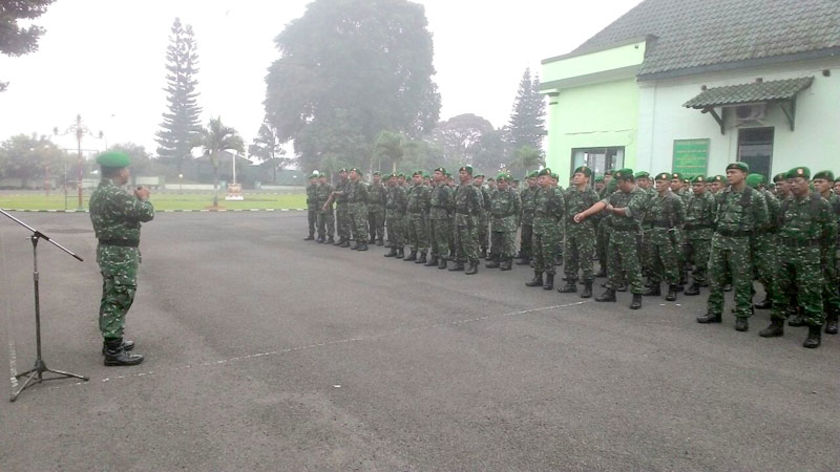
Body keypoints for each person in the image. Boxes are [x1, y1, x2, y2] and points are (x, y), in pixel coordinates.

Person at [759, 167, 836, 348]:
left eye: (798, 181)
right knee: (780, 291)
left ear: (807, 181)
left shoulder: (820, 204)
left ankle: (814, 331)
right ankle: (777, 324)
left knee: (811, 294)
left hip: (809, 256)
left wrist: (822, 257)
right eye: (791, 181)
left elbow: (830, 233)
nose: (793, 185)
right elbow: (779, 226)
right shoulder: (786, 203)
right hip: (785, 253)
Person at [89, 151, 154, 366]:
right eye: (127, 169)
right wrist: (144, 198)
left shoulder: (103, 192)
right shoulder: (115, 194)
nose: (128, 173)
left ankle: (111, 341)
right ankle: (114, 351)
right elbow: (146, 214)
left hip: (110, 251)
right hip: (119, 253)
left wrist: (133, 201)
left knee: (111, 296)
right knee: (120, 297)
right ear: (120, 171)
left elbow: (123, 213)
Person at [697, 162, 768, 331]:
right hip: (720, 240)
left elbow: (763, 221)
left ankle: (742, 315)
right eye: (728, 172)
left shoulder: (754, 196)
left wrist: (749, 239)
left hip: (741, 242)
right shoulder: (721, 195)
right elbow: (714, 215)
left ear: (744, 174)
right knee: (715, 277)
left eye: (733, 172)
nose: (729, 175)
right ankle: (714, 311)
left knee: (742, 280)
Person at [574, 168, 646, 310]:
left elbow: (628, 211)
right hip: (615, 233)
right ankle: (611, 292)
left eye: (620, 182)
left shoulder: (641, 194)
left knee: (632, 267)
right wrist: (584, 214)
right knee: (612, 264)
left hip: (631, 235)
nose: (618, 185)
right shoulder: (618, 193)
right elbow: (602, 203)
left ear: (628, 181)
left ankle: (637, 295)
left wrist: (612, 209)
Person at [642, 172, 685, 301]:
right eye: (657, 182)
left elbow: (682, 219)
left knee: (670, 262)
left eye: (660, 182)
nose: (658, 185)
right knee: (653, 262)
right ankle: (655, 287)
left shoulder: (675, 199)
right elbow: (649, 217)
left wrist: (677, 234)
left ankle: (672, 288)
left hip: (668, 234)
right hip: (655, 233)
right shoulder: (654, 199)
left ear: (668, 183)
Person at [558, 166, 599, 298]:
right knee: (570, 256)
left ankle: (588, 286)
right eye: (575, 175)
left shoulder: (592, 194)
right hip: (571, 229)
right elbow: (564, 208)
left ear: (587, 178)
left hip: (585, 231)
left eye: (579, 175)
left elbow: (598, 212)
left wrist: (586, 220)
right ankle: (570, 283)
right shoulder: (569, 192)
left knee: (585, 259)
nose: (576, 177)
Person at [525, 168, 565, 290]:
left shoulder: (555, 192)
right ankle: (538, 277)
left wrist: (552, 222)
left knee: (548, 253)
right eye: (539, 178)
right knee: (537, 253)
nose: (541, 181)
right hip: (537, 225)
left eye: (543, 178)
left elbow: (560, 210)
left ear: (550, 179)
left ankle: (549, 279)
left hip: (549, 226)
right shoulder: (538, 192)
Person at [812, 170, 840, 334]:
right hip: (815, 248)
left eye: (820, 182)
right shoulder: (813, 202)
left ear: (830, 184)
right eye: (815, 182)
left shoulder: (837, 202)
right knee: (813, 283)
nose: (817, 185)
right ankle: (815, 314)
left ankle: (832, 318)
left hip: (834, 248)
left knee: (830, 282)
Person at [684, 175, 716, 296]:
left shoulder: (710, 199)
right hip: (689, 232)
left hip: (703, 234)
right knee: (684, 257)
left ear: (705, 186)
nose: (695, 188)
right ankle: (698, 279)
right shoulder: (691, 197)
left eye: (698, 185)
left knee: (700, 261)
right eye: (694, 185)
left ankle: (696, 284)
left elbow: (714, 218)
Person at [450, 165, 483, 274]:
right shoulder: (459, 188)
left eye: (463, 173)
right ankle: (459, 262)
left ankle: (473, 263)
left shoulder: (473, 189)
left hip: (469, 219)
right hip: (459, 217)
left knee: (470, 241)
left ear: (469, 175)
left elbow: (479, 206)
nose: (461, 175)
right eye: (460, 173)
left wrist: (472, 217)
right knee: (458, 241)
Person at [486, 173, 520, 271]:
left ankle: (507, 261)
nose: (500, 184)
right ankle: (495, 260)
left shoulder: (513, 193)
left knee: (508, 242)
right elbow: (489, 206)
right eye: (499, 182)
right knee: (495, 241)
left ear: (507, 182)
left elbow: (518, 208)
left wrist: (515, 222)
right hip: (496, 220)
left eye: (502, 182)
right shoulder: (494, 193)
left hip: (508, 221)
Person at [427, 167, 454, 269]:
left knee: (441, 238)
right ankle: (434, 257)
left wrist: (444, 210)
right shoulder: (435, 187)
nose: (435, 175)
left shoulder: (445, 188)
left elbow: (451, 203)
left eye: (438, 174)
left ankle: (443, 259)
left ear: (443, 176)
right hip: (433, 215)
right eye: (435, 173)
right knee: (433, 237)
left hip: (441, 216)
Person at [405, 171, 430, 262]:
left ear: (422, 178)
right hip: (411, 214)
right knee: (412, 234)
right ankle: (413, 252)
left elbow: (428, 203)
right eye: (414, 177)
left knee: (421, 235)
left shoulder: (425, 189)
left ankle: (423, 254)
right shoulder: (411, 189)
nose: (416, 179)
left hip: (420, 215)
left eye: (418, 177)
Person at [516, 171, 538, 265]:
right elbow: (520, 206)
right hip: (526, 218)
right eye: (530, 180)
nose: (531, 182)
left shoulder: (540, 191)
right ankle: (525, 257)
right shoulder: (524, 192)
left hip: (537, 219)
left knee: (535, 240)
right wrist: (519, 219)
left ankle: (535, 258)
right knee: (525, 238)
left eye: (533, 179)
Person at [383, 173, 407, 259]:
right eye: (391, 179)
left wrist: (401, 212)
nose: (392, 180)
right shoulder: (389, 189)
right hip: (389, 213)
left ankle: (401, 250)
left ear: (397, 180)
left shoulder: (401, 190)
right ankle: (393, 249)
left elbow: (405, 202)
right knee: (390, 232)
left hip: (397, 214)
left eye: (394, 178)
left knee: (398, 232)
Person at [346, 168, 369, 251]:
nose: (350, 174)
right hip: (352, 207)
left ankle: (364, 243)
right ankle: (358, 242)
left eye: (352, 172)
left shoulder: (361, 184)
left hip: (359, 207)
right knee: (354, 226)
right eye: (350, 172)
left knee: (360, 225)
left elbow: (367, 196)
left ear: (358, 175)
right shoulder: (351, 184)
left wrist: (363, 206)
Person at [367, 171, 387, 246]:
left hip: (379, 208)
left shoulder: (382, 187)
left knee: (379, 224)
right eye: (375, 176)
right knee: (371, 224)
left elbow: (385, 198)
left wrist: (383, 207)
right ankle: (372, 238)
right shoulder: (370, 186)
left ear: (380, 177)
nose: (376, 178)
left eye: (377, 176)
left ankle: (380, 239)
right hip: (371, 208)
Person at [315, 173, 335, 244]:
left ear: (325, 178)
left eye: (323, 178)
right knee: (320, 223)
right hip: (320, 208)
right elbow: (317, 197)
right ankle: (322, 236)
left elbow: (332, 197)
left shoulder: (329, 187)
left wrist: (328, 205)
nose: (321, 179)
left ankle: (331, 237)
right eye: (320, 178)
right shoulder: (318, 187)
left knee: (330, 223)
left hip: (328, 207)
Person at [304, 172, 319, 240]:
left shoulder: (318, 187)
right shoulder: (308, 188)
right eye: (312, 179)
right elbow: (309, 196)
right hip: (310, 207)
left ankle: (320, 236)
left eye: (314, 179)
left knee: (318, 222)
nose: (313, 180)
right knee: (311, 222)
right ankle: (311, 235)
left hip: (317, 207)